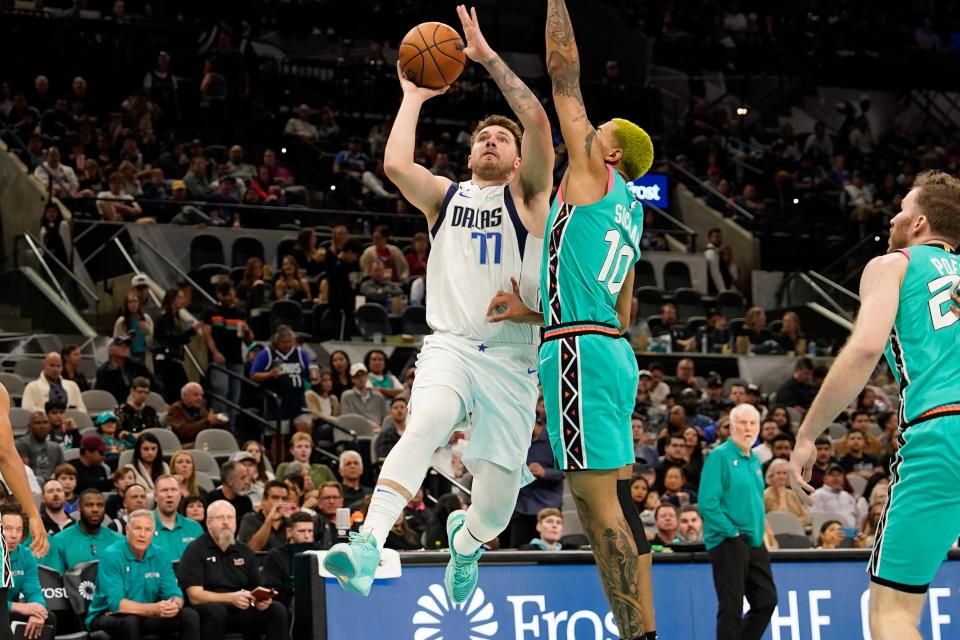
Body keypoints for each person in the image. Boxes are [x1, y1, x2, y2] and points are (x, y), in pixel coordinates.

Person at [324, 3, 553, 606]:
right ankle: (368, 543)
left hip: (511, 361)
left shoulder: (529, 202)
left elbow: (538, 123)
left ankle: (468, 540)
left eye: (501, 139)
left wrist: (490, 59)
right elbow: (397, 164)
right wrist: (414, 95)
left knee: (498, 507)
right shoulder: (446, 197)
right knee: (423, 424)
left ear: (517, 157)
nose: (490, 142)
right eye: (482, 136)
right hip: (449, 343)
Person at [482, 2, 658, 635]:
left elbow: (564, 76)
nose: (591, 128)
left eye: (598, 127)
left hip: (580, 354)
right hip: (613, 352)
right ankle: (648, 630)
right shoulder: (631, 214)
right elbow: (622, 307)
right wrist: (536, 311)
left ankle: (636, 633)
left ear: (609, 149)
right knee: (619, 502)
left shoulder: (591, 170)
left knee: (592, 503)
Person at [789, 173, 960, 640]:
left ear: (920, 222)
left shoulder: (893, 264)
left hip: (943, 430)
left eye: (902, 208)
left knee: (894, 614)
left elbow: (865, 348)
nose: (893, 216)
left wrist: (807, 435)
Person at [701, 404, 777, 640]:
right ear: (731, 427)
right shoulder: (720, 456)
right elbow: (707, 502)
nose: (748, 428)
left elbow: (755, 504)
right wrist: (731, 532)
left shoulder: (753, 459)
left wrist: (761, 534)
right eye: (742, 423)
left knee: (766, 600)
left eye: (753, 423)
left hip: (754, 541)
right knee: (731, 606)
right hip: (728, 541)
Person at [179, 500, 288, 640]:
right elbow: (195, 596)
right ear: (209, 523)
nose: (226, 522)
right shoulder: (195, 550)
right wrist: (230, 598)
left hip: (241, 608)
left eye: (230, 518)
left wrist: (261, 601)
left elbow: (256, 588)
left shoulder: (245, 551)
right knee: (216, 610)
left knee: (276, 609)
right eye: (220, 518)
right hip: (209, 611)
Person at [86, 509, 200, 639]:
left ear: (153, 533)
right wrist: (154, 608)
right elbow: (117, 604)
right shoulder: (111, 556)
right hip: (107, 615)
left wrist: (174, 605)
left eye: (147, 530)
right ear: (127, 531)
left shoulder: (160, 555)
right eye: (137, 529)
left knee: (189, 615)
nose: (142, 534)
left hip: (146, 615)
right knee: (130, 621)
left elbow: (174, 594)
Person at [249, 325, 310, 462]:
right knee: (278, 436)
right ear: (276, 341)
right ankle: (279, 465)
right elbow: (253, 375)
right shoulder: (267, 353)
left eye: (290, 341)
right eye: (284, 342)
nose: (287, 345)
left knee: (304, 429)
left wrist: (312, 373)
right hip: (277, 403)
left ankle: (305, 463)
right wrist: (270, 374)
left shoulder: (301, 353)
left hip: (298, 401)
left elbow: (308, 372)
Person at [203, 282, 254, 431]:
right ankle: (219, 426)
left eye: (230, 294)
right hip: (219, 359)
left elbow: (249, 340)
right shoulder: (211, 311)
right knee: (221, 389)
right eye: (224, 295)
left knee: (235, 395)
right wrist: (215, 352)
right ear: (218, 295)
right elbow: (207, 334)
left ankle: (231, 428)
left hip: (236, 359)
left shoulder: (241, 313)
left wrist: (248, 331)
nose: (227, 298)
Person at [509, 419, 563, 548]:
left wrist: (544, 472)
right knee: (517, 555)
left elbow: (567, 470)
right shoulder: (517, 441)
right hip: (521, 509)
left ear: (535, 422)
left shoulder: (555, 439)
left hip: (547, 509)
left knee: (548, 556)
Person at [2, 505, 54, 640]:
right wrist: (18, 607)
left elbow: (34, 591)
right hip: (6, 609)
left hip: (8, 611)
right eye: (7, 529)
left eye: (18, 530)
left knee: (48, 618)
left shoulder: (26, 555)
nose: (14, 535)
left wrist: (38, 611)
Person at [42, 489, 120, 572]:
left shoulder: (118, 541)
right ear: (79, 507)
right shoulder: (59, 541)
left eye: (100, 505)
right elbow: (55, 580)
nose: (95, 509)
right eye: (89, 505)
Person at [153, 288, 203, 403]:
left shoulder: (175, 317)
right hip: (166, 358)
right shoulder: (165, 316)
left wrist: (188, 335)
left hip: (173, 356)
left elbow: (177, 338)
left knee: (179, 389)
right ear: (172, 300)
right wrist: (191, 331)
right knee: (178, 389)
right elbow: (171, 337)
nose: (183, 300)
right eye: (180, 298)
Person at [259, 512, 316, 611]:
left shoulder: (319, 553)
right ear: (289, 532)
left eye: (310, 531)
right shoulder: (275, 556)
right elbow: (273, 589)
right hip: (286, 605)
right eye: (302, 531)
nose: (307, 536)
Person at [95, 336, 161, 404]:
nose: (125, 347)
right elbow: (101, 396)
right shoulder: (104, 371)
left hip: (140, 405)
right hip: (116, 407)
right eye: (120, 345)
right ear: (110, 350)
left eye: (127, 345)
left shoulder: (137, 365)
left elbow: (155, 384)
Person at [21, 352, 86, 413]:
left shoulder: (72, 385)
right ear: (44, 366)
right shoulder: (32, 386)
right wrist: (51, 415)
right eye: (52, 365)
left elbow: (82, 409)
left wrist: (71, 413)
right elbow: (27, 408)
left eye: (58, 366)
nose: (55, 369)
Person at [237, 480, 290, 552]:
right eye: (275, 497)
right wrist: (269, 520)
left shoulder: (290, 522)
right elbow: (252, 549)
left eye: (284, 499)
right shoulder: (250, 519)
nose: (280, 502)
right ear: (264, 500)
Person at [15, 412, 63, 481]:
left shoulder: (55, 447)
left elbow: (63, 470)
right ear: (29, 426)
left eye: (45, 422)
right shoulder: (21, 444)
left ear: (50, 426)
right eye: (38, 423)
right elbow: (23, 472)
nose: (42, 426)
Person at [338, 363, 387, 429]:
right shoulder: (346, 396)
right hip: (357, 430)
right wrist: (367, 423)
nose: (361, 378)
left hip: (378, 431)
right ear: (352, 379)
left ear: (367, 376)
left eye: (363, 375)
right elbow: (346, 418)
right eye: (357, 376)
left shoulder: (378, 396)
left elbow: (385, 418)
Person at [113, 291, 155, 364]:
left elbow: (154, 338)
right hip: (128, 355)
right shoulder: (121, 321)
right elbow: (116, 340)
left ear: (139, 303)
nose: (133, 304)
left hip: (144, 354)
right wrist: (126, 338)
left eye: (135, 301)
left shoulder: (146, 318)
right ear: (126, 305)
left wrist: (148, 329)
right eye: (130, 302)